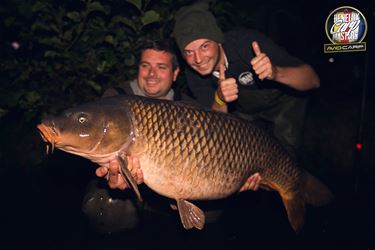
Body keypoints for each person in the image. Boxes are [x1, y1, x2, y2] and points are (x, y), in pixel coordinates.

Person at [83, 39, 263, 233]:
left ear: (175, 73)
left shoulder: (187, 107)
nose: (152, 74)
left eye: (161, 67)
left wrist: (238, 177)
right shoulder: (115, 101)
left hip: (170, 191)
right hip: (129, 196)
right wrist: (114, 175)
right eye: (146, 66)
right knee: (104, 207)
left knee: (211, 211)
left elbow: (217, 147)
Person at [173, 1, 320, 160]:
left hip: (283, 104)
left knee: (285, 159)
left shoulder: (246, 43)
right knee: (244, 158)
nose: (198, 59)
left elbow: (313, 80)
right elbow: (214, 127)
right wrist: (220, 99)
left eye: (204, 46)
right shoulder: (193, 74)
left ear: (218, 40)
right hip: (244, 112)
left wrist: (276, 73)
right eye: (188, 52)